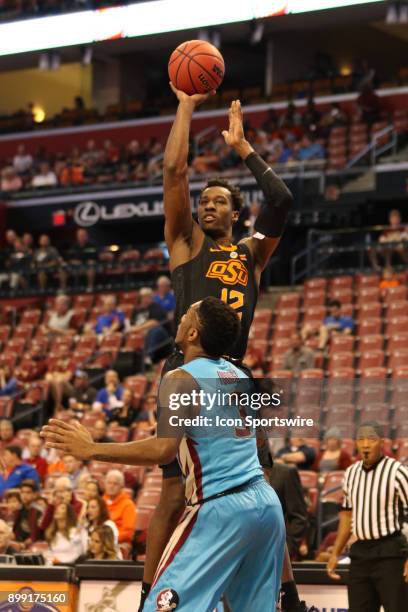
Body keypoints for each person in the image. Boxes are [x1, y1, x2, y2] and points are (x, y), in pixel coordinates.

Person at [138, 86, 302, 612]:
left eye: (217, 201)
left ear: (235, 212)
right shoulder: (185, 243)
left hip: (233, 377)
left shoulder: (251, 254)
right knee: (170, 490)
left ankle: (288, 596)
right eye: (203, 201)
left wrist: (244, 149)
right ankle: (148, 592)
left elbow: (281, 202)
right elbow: (173, 174)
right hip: (187, 371)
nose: (206, 206)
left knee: (263, 484)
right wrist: (186, 106)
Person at [41, 297, 286, 612]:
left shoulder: (181, 378)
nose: (180, 318)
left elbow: (163, 448)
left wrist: (92, 449)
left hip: (221, 507)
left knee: (163, 607)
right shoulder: (238, 376)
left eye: (187, 315)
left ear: (194, 333)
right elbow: (253, 444)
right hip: (265, 504)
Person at [327, 421, 408, 612]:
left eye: (371, 439)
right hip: (360, 554)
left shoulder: (397, 471)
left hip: (390, 553)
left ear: (382, 443)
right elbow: (347, 517)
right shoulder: (351, 473)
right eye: (360, 439)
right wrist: (335, 553)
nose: (365, 444)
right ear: (355, 443)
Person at [269, 462, 309, 560]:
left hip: (273, 553)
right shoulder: (232, 471)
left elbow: (299, 517)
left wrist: (287, 549)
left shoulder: (284, 473)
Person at [132, 287, 172, 364]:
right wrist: (137, 330)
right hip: (141, 334)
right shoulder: (136, 310)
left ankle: (147, 357)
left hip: (163, 337)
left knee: (154, 330)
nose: (145, 299)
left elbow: (154, 322)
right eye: (143, 297)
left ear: (151, 297)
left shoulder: (156, 307)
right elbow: (132, 325)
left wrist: (139, 329)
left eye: (147, 296)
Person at [102, 470, 136, 545]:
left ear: (121, 487)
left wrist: (109, 539)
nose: (111, 486)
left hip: (118, 542)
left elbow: (128, 533)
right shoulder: (101, 502)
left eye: (115, 484)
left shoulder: (128, 504)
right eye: (109, 483)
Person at [10, 481, 42, 548]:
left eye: (28, 492)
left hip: (35, 545)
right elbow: (15, 531)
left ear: (35, 494)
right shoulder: (19, 510)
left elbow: (35, 535)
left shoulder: (38, 511)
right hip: (19, 543)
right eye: (22, 492)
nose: (24, 495)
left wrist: (23, 545)